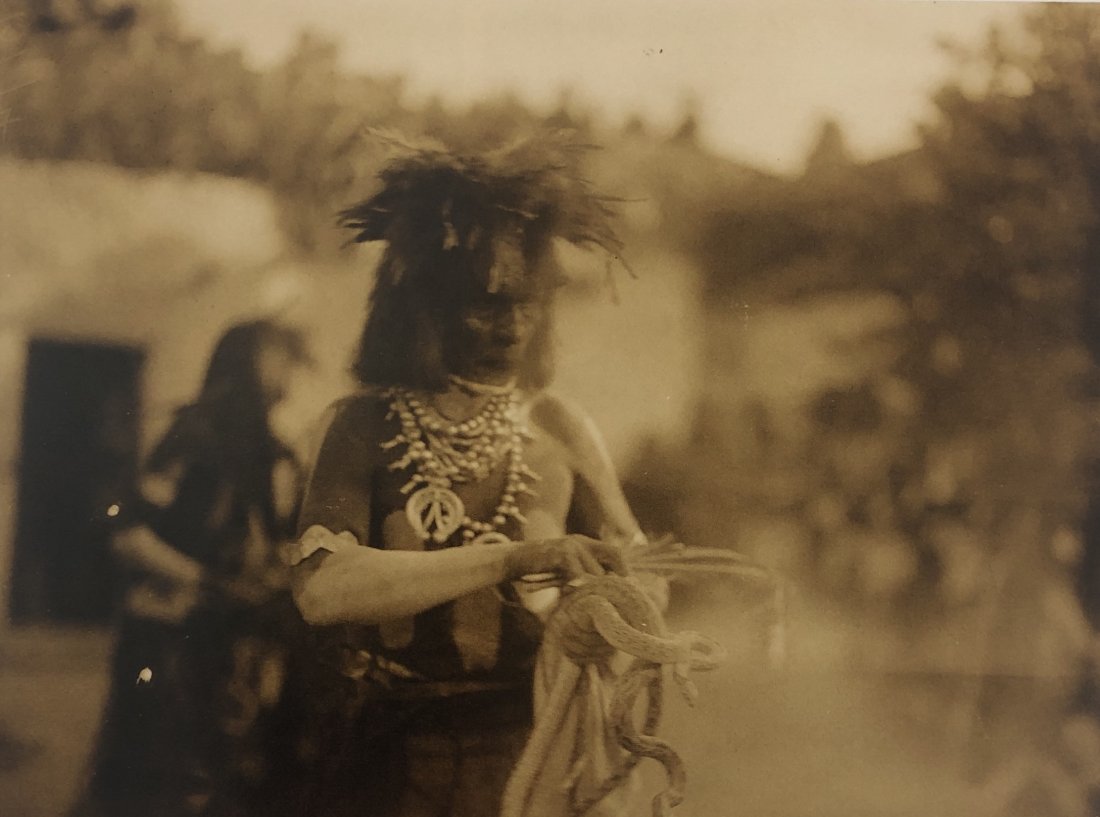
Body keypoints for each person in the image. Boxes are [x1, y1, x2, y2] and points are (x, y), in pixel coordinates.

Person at [287, 135, 644, 817]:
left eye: (527, 305)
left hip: (526, 761)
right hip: (383, 761)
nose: (511, 329)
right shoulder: (363, 424)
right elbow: (322, 590)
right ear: (428, 308)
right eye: (486, 305)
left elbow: (641, 575)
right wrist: (511, 559)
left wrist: (605, 622)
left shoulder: (561, 427)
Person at [72, 318, 312, 817]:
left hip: (229, 640)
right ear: (245, 362)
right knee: (156, 780)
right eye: (277, 356)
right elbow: (129, 535)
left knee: (226, 778)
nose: (288, 369)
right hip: (168, 636)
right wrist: (207, 581)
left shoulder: (272, 451)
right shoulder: (196, 435)